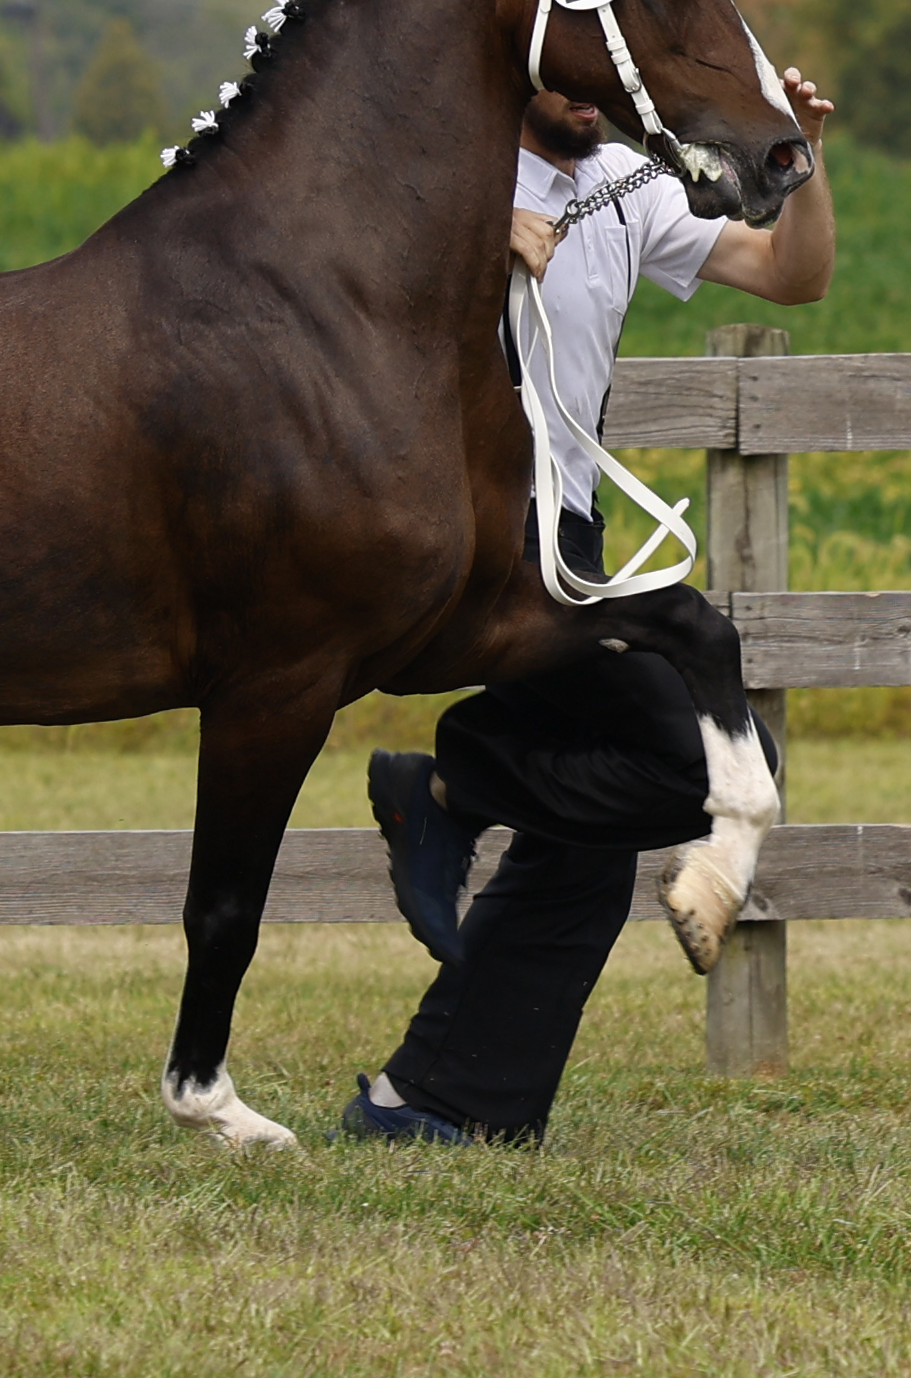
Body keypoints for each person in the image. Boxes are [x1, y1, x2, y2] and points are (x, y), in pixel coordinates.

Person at [343, 69, 837, 1145]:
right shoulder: (436, 175)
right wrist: (475, 233)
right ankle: (449, 775)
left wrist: (798, 159)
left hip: (570, 539)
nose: (582, 97)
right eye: (557, 76)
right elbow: (329, 273)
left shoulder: (623, 183)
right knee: (702, 755)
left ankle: (433, 1101)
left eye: (592, 83)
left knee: (582, 842)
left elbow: (787, 274)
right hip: (471, 540)